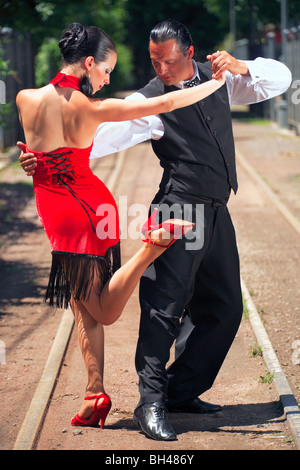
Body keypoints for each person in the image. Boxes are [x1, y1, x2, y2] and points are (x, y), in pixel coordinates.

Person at [19, 19, 292, 440]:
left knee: (224, 309)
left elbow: (281, 78)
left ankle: (180, 391)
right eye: (153, 61)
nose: (160, 70)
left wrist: (239, 67)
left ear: (189, 52)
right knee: (163, 307)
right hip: (178, 208)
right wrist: (42, 155)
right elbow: (99, 135)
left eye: (166, 61)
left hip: (217, 210)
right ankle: (151, 403)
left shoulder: (221, 78)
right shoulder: (150, 97)